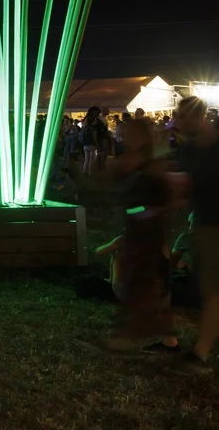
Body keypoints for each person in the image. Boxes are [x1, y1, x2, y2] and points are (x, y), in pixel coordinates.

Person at [92, 118, 181, 354]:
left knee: (140, 284)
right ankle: (169, 340)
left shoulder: (153, 166)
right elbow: (115, 189)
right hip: (138, 231)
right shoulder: (132, 162)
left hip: (148, 234)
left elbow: (165, 201)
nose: (126, 135)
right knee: (151, 286)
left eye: (132, 132)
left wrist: (146, 213)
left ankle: (120, 337)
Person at [171, 95, 217, 376]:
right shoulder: (188, 151)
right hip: (201, 224)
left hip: (215, 227)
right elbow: (185, 188)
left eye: (181, 117)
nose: (176, 122)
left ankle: (200, 353)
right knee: (209, 289)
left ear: (196, 117)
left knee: (213, 291)